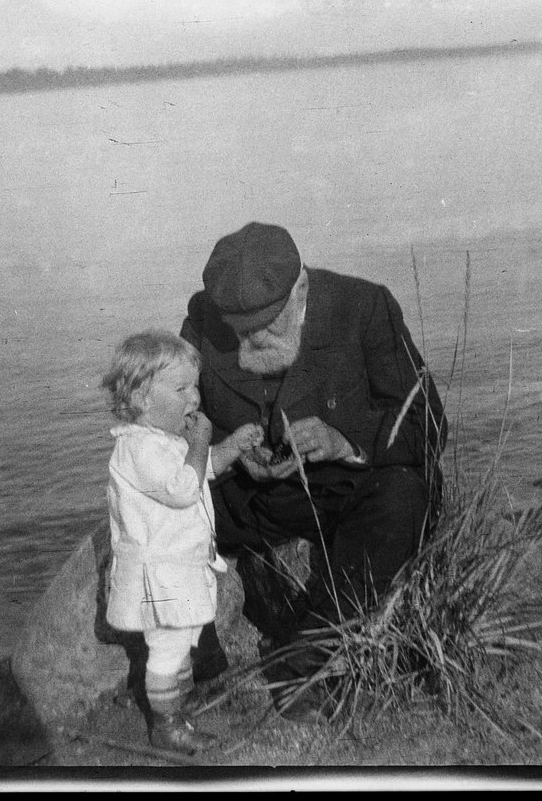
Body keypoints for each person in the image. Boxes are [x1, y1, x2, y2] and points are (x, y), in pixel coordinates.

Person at [181, 222, 447, 715]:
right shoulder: (203, 315)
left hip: (342, 490)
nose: (255, 338)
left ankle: (309, 652)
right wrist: (228, 451)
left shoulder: (363, 306)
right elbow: (178, 423)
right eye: (242, 329)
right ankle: (195, 660)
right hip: (248, 497)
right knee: (165, 498)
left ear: (301, 288)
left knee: (407, 494)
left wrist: (343, 440)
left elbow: (427, 425)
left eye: (269, 324)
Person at [100, 330, 264, 754]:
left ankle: (176, 704)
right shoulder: (138, 449)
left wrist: (230, 447)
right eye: (181, 389)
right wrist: (201, 441)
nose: (194, 397)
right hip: (159, 575)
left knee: (181, 641)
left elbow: (199, 470)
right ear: (141, 399)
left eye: (195, 386)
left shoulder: (164, 442)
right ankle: (166, 725)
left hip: (177, 568)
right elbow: (182, 488)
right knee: (169, 648)